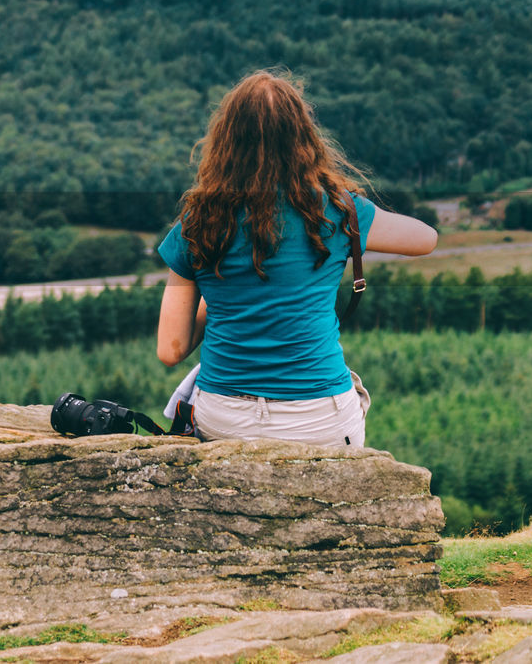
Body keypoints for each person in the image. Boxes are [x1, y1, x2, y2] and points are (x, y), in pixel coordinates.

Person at [154, 71, 437, 447]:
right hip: (319, 421)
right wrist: (351, 211)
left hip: (225, 420)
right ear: (303, 138)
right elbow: (426, 239)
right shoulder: (337, 211)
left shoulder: (198, 222)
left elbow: (170, 350)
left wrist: (222, 302)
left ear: (225, 141)